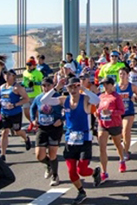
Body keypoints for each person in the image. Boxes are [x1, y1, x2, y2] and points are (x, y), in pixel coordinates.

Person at [38, 77, 102, 205]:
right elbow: (44, 100)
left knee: (82, 170)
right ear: (67, 88)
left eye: (75, 86)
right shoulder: (64, 100)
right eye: (70, 87)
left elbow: (97, 100)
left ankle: (95, 172)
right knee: (72, 172)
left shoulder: (85, 99)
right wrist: (56, 87)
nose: (73, 89)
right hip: (70, 139)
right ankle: (81, 192)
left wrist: (84, 88)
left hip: (84, 138)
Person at [29, 77, 64, 186]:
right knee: (39, 155)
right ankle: (49, 165)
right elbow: (32, 109)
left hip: (55, 127)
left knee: (52, 152)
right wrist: (33, 120)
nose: (46, 88)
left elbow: (68, 110)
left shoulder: (59, 98)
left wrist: (62, 120)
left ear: (53, 86)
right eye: (44, 86)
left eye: (48, 85)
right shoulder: (38, 98)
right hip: (42, 127)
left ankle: (55, 175)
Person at [95, 76, 126, 181]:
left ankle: (122, 159)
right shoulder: (101, 96)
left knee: (117, 144)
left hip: (114, 124)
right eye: (103, 84)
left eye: (107, 84)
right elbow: (98, 109)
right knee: (102, 147)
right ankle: (104, 172)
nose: (105, 86)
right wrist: (97, 113)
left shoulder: (116, 97)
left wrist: (111, 112)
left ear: (112, 85)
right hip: (102, 124)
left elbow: (122, 111)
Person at [0, 69, 31, 161]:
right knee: (4, 132)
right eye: (5, 74)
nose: (6, 76)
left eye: (9, 75)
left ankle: (26, 138)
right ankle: (3, 154)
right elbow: (2, 98)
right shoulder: (2, 87)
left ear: (13, 76)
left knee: (17, 131)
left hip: (15, 113)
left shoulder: (17, 88)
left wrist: (14, 105)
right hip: (4, 112)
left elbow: (26, 99)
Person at [116, 68, 137, 161]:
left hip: (128, 112)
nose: (122, 75)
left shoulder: (132, 86)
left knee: (126, 131)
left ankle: (125, 152)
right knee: (119, 134)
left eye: (124, 74)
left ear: (127, 75)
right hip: (118, 113)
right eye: (120, 74)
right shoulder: (115, 86)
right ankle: (123, 148)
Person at [22, 58, 44, 132]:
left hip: (36, 94)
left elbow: (42, 82)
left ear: (34, 65)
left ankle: (37, 124)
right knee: (26, 110)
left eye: (30, 65)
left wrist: (35, 83)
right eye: (27, 65)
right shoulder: (25, 72)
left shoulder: (38, 73)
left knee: (36, 111)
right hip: (26, 94)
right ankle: (31, 121)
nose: (28, 66)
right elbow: (23, 81)